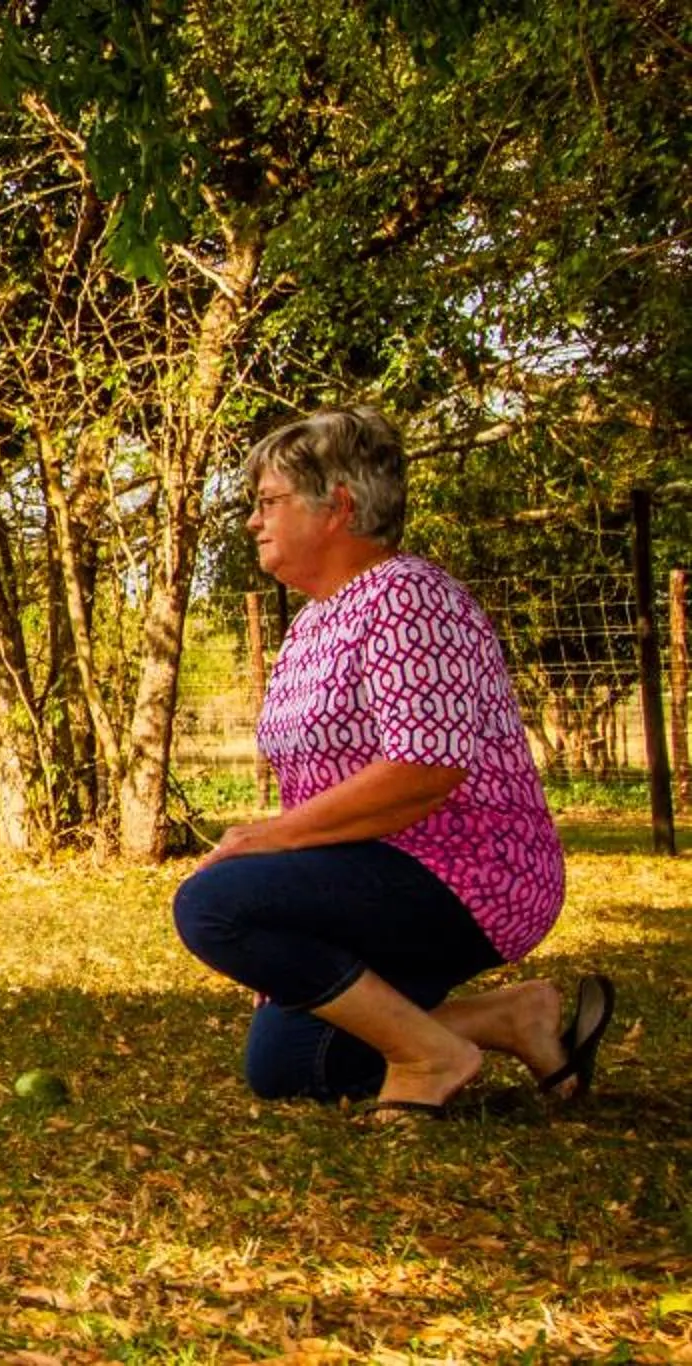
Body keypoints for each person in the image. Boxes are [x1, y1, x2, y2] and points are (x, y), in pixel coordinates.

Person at [172, 408, 602, 1118]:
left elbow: (424, 768)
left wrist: (267, 850)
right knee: (288, 1066)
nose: (253, 520)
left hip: (465, 871)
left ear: (337, 505)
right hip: (373, 869)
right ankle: (508, 1020)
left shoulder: (407, 596)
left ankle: (429, 1055)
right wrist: (287, 900)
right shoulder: (315, 620)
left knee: (211, 902)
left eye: (269, 501)